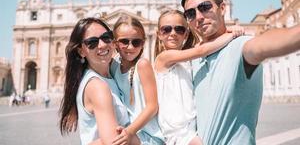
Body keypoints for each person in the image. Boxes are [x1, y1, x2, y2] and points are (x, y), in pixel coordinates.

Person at [181, 0, 300, 145]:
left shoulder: (241, 46)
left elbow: (265, 43)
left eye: (205, 7)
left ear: (222, 8)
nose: (199, 17)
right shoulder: (194, 58)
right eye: (190, 13)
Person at [154, 10, 242, 145]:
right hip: (177, 131)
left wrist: (229, 30)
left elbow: (207, 44)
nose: (173, 33)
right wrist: (231, 35)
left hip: (193, 126)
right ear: (159, 34)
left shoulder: (187, 57)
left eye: (179, 29)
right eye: (166, 29)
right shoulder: (163, 58)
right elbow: (202, 50)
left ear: (186, 34)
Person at [59, 17, 140, 145]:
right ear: (81, 51)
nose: (102, 45)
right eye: (92, 42)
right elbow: (114, 142)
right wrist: (146, 139)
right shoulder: (98, 87)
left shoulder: (109, 74)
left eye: (106, 37)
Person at [110, 15, 165, 145]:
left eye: (136, 42)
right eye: (124, 41)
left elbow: (152, 106)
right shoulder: (114, 65)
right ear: (115, 43)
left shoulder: (142, 65)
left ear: (143, 43)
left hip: (148, 135)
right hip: (130, 130)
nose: (130, 47)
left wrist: (129, 131)